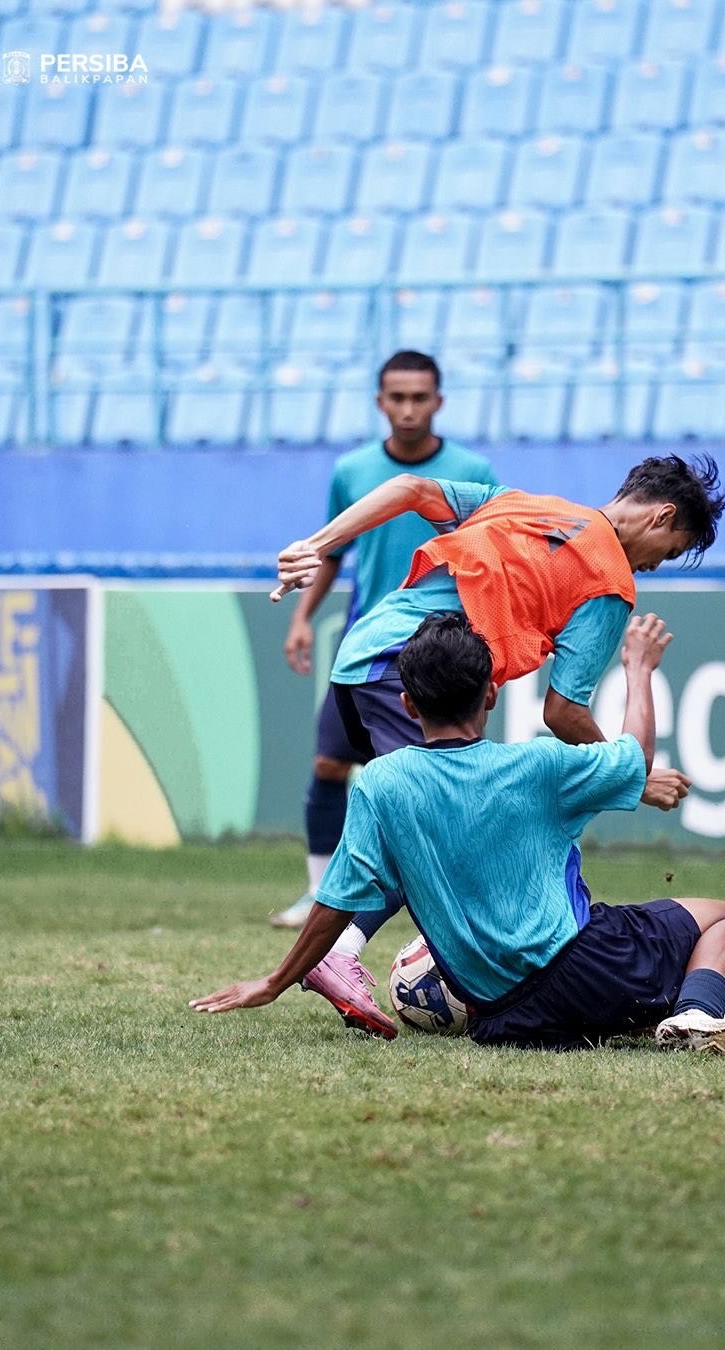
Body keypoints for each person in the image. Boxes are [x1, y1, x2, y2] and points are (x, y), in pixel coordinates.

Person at [192, 611, 725, 1057]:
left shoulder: (380, 783)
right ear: (491, 692)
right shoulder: (538, 765)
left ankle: (655, 1016)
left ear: (406, 704)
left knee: (624, 978)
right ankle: (694, 1015)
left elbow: (335, 903)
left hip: (503, 1016)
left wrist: (276, 980)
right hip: (589, 966)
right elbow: (635, 753)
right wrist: (638, 668)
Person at [272, 455, 725, 1035]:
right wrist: (627, 775)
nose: (651, 567)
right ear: (663, 517)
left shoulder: (524, 502)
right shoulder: (611, 582)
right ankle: (342, 949)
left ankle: (350, 946)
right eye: (662, 556)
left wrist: (316, 542)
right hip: (408, 675)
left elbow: (412, 489)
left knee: (419, 820)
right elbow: (563, 712)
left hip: (365, 654)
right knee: (441, 824)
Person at [271, 350, 496, 943]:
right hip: (364, 646)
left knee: (428, 781)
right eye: (397, 397)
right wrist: (302, 618)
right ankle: (320, 891)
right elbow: (332, 554)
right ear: (380, 402)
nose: (408, 408)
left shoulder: (473, 470)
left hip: (437, 650)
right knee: (329, 763)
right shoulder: (352, 471)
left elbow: (493, 558)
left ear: (438, 402)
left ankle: (444, 903)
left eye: (420, 397)